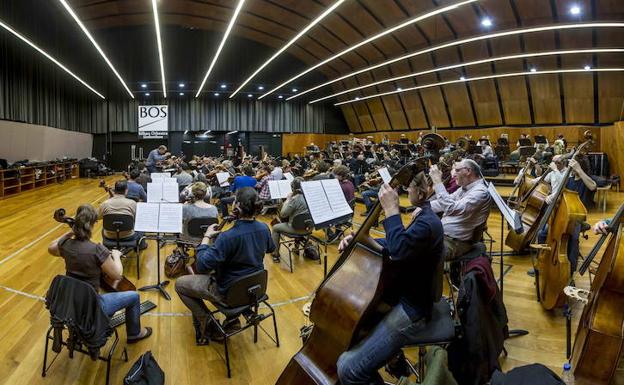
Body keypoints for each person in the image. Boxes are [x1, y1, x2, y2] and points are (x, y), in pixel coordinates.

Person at [336, 172, 444, 385]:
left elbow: (399, 250)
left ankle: (386, 359)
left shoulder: (427, 222)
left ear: (419, 191)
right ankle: (392, 358)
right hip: (404, 296)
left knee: (348, 370)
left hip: (412, 309)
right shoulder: (425, 215)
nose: (405, 191)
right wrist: (360, 241)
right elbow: (399, 240)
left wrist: (392, 210)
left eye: (408, 188)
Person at [175, 187, 275, 345]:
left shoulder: (228, 237)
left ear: (237, 206)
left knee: (180, 284)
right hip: (255, 288)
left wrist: (206, 237)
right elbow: (270, 248)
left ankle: (209, 324)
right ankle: (234, 318)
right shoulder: (264, 228)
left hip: (230, 292)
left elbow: (201, 266)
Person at [47, 204, 152, 343]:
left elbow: (51, 248)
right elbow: (117, 275)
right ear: (92, 225)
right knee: (134, 296)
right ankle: (134, 333)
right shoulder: (97, 250)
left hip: (71, 302)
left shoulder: (65, 245)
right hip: (92, 306)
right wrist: (116, 256)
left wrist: (70, 233)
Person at [429, 159, 491, 261]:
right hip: (444, 237)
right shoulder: (465, 188)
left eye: (457, 170)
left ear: (468, 171)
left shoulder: (480, 192)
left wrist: (437, 182)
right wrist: (424, 207)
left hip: (456, 243)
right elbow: (444, 203)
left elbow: (451, 208)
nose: (453, 175)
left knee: (419, 254)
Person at [270, 178, 310, 263]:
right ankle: (296, 248)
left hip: (295, 229)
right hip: (308, 228)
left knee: (275, 227)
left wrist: (288, 199)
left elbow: (283, 214)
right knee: (299, 220)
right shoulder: (311, 196)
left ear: (293, 188)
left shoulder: (294, 199)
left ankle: (275, 254)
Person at [99, 180, 145, 247]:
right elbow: (138, 219)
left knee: (103, 229)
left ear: (115, 190)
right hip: (129, 236)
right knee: (140, 228)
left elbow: (98, 217)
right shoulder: (132, 203)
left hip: (109, 236)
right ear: (126, 191)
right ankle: (141, 246)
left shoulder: (105, 203)